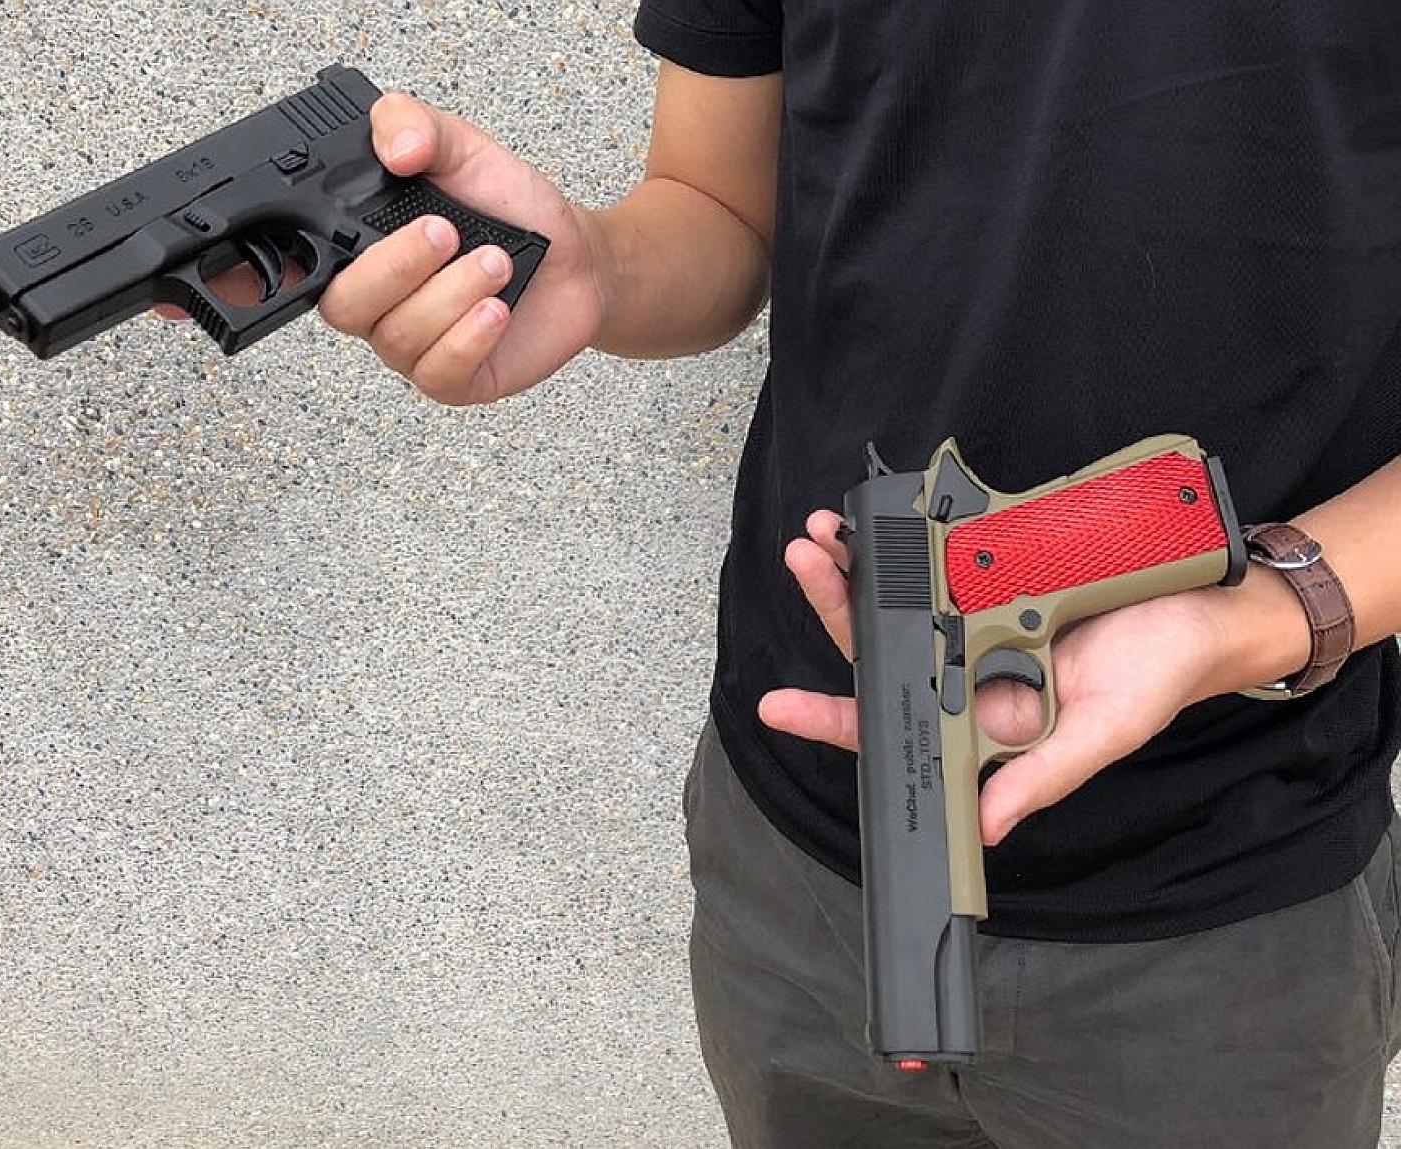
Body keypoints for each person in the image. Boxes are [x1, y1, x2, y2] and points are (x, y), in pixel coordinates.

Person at [286, 4, 1401, 1145]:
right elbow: (720, 204)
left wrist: (1257, 613)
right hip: (798, 859)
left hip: (1232, 903)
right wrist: (597, 268)